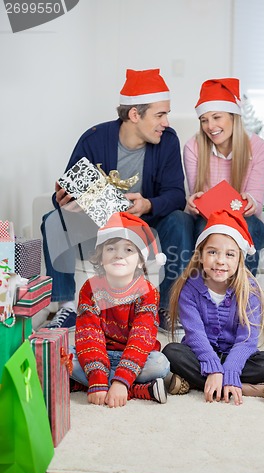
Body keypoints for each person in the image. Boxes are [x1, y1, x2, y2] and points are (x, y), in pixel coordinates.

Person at [41, 68, 193, 331]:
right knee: (53, 219)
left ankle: (167, 308)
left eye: (166, 114)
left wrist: (148, 204)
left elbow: (177, 196)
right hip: (101, 228)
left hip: (146, 227)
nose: (166, 122)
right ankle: (66, 307)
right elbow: (67, 194)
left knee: (180, 220)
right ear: (135, 114)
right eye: (160, 114)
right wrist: (62, 200)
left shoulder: (168, 141)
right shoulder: (94, 138)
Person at [162, 209, 264, 405]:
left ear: (239, 259)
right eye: (212, 252)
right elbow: (195, 335)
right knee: (172, 353)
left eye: (230, 254)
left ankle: (196, 382)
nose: (220, 260)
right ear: (200, 255)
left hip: (236, 356)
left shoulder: (249, 291)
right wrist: (214, 369)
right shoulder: (189, 289)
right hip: (200, 353)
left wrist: (231, 369)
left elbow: (247, 340)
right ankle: (243, 388)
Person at [69, 212, 170, 407]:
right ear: (100, 257)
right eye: (111, 248)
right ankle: (139, 390)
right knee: (63, 358)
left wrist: (122, 378)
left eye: (128, 249)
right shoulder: (91, 288)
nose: (118, 254)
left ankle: (95, 385)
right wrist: (97, 376)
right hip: (98, 353)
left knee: (160, 365)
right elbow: (88, 334)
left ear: (141, 261)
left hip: (135, 357)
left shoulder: (147, 292)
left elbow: (141, 338)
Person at [184, 77, 264, 276]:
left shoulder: (258, 147)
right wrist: (194, 204)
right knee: (203, 225)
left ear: (233, 116)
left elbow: (256, 206)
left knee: (246, 225)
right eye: (204, 120)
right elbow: (200, 201)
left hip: (247, 222)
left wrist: (250, 202)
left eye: (217, 117)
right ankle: (205, 296)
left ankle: (243, 298)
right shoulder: (193, 147)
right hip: (210, 222)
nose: (210, 126)